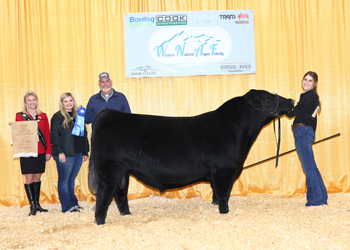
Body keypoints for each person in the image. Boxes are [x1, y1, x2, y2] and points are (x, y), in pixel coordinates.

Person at [286, 71, 328, 206]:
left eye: (310, 81)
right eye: (305, 79)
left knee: (309, 168)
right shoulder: (313, 98)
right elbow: (313, 120)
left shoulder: (308, 97)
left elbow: (292, 113)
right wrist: (311, 134)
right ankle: (321, 198)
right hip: (306, 131)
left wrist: (279, 103)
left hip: (302, 131)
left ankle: (315, 200)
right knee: (312, 167)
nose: (306, 82)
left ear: (315, 83)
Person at [50, 93, 89, 213]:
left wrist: (85, 151)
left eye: (70, 100)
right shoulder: (57, 117)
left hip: (77, 152)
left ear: (73, 101)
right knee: (64, 179)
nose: (69, 103)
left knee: (71, 179)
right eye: (65, 101)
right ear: (62, 103)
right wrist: (60, 152)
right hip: (64, 153)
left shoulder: (78, 115)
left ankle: (73, 203)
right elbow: (54, 136)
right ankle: (67, 206)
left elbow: (83, 134)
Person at [16, 90, 52, 216]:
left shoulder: (43, 115)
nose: (32, 102)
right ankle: (32, 205)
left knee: (38, 176)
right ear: (26, 102)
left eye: (34, 100)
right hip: (26, 151)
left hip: (41, 151)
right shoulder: (20, 116)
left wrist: (48, 151)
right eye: (29, 100)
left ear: (37, 101)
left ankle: (37, 204)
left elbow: (47, 134)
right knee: (29, 177)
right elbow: (18, 134)